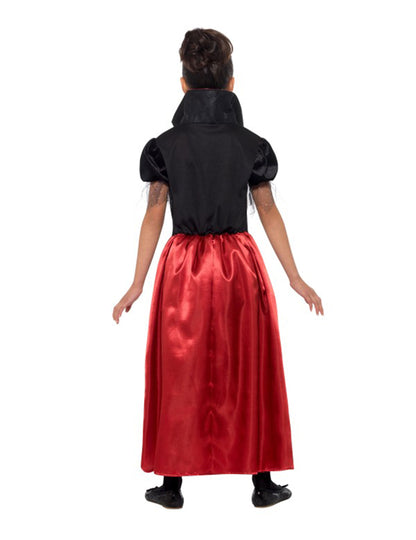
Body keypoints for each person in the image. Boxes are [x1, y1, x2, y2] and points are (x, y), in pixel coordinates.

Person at [112, 28, 324, 509]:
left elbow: (154, 213)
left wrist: (137, 283)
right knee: (249, 366)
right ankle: (262, 483)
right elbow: (267, 210)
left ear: (182, 85)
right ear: (231, 84)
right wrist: (294, 277)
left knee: (179, 367)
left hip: (182, 268)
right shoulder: (252, 144)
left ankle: (171, 484)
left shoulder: (163, 145)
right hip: (238, 265)